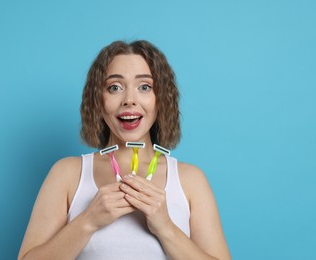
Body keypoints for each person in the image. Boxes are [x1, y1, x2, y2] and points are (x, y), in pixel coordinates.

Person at [18, 40, 231, 260]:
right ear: (98, 100)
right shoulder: (67, 174)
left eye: (145, 87)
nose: (129, 100)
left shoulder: (190, 180)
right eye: (115, 87)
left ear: (161, 100)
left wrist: (166, 228)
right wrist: (88, 221)